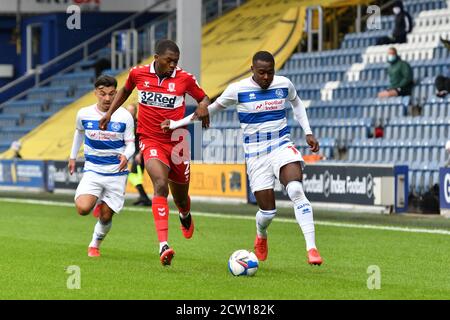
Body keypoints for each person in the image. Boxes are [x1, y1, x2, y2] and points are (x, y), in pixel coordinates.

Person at [163, 51, 323, 265]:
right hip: (256, 155)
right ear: (252, 70)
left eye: (270, 73)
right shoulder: (238, 90)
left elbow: (297, 103)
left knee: (295, 189)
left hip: (282, 146)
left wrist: (308, 131)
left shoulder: (284, 84)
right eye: (262, 73)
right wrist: (174, 125)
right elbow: (209, 109)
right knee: (268, 212)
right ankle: (261, 233)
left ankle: (311, 248)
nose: (267, 77)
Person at [98, 40, 210, 266]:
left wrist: (203, 106)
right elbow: (125, 91)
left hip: (178, 142)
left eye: (175, 62)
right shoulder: (138, 74)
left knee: (181, 198)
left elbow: (203, 97)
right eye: (168, 60)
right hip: (150, 139)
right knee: (160, 183)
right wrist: (110, 113)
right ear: (156, 57)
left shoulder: (184, 78)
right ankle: (163, 246)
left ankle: (185, 214)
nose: (172, 65)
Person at [68, 75, 135, 257]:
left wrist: (126, 155)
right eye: (102, 93)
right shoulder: (83, 113)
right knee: (82, 209)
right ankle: (98, 199)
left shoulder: (125, 116)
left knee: (106, 216)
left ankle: (94, 244)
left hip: (116, 172)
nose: (107, 98)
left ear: (116, 94)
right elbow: (79, 134)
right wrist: (73, 157)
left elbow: (131, 144)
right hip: (93, 169)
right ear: (95, 93)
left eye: (112, 94)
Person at [126, 103, 152, 206]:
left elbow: (144, 139)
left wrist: (140, 153)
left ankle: (145, 198)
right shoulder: (127, 124)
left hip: (140, 154)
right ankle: (142, 197)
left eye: (131, 110)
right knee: (134, 176)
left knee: (133, 175)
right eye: (128, 110)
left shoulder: (138, 123)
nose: (129, 112)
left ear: (135, 112)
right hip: (134, 153)